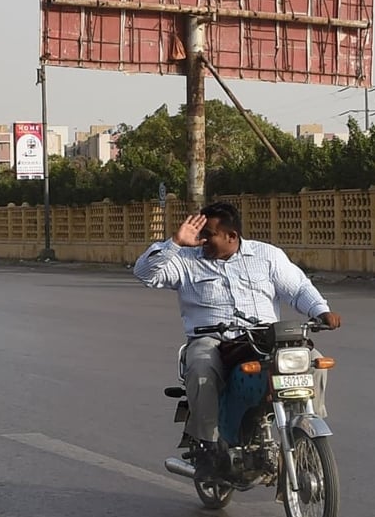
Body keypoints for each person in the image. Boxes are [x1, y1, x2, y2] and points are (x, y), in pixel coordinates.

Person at [133, 202, 341, 479]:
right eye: (199, 234)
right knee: (200, 369)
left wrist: (321, 311)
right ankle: (208, 447)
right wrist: (175, 242)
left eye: (209, 234)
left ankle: (306, 426)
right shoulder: (185, 260)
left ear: (231, 236)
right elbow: (146, 274)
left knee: (313, 361)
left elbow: (298, 287)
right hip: (213, 340)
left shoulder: (266, 255)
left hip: (263, 337)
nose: (202, 240)